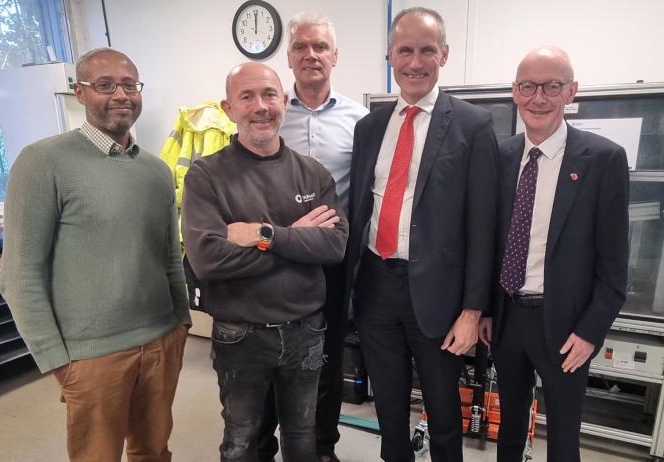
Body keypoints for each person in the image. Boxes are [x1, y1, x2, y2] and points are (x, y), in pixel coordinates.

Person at [0, 47, 191, 462]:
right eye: (105, 85)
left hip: (161, 342)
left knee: (154, 451)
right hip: (92, 356)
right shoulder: (42, 162)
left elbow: (169, 256)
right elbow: (18, 275)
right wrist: (58, 361)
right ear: (79, 92)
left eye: (129, 84)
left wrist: (181, 323)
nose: (121, 95)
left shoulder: (156, 171)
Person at [344, 7, 499, 462]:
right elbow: (361, 207)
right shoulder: (369, 128)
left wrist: (473, 309)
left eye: (427, 50)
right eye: (405, 50)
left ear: (444, 55)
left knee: (443, 415)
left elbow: (483, 225)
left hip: (439, 297)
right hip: (375, 287)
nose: (415, 61)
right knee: (389, 413)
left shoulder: (473, 125)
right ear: (390, 55)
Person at [181, 62, 348, 462]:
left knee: (303, 438)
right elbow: (207, 260)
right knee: (241, 441)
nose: (261, 106)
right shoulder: (206, 176)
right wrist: (297, 240)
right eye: (247, 96)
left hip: (305, 332)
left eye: (270, 95)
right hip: (240, 335)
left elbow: (334, 247)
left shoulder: (312, 173)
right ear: (228, 108)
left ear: (284, 102)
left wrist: (265, 235)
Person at [479, 46, 629, 462]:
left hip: (567, 327)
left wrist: (591, 331)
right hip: (508, 318)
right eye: (528, 86)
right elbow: (491, 244)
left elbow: (615, 266)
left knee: (563, 436)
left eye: (552, 86)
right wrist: (487, 309)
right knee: (508, 425)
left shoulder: (603, 159)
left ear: (571, 91)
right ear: (514, 92)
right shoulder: (502, 155)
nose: (538, 97)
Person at [254, 11, 368, 462]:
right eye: (300, 46)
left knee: (325, 356)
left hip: (331, 263)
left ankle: (321, 446)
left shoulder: (361, 121)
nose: (310, 54)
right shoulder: (269, 114)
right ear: (289, 56)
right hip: (272, 256)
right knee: (267, 353)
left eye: (319, 46)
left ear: (335, 55)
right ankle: (262, 443)